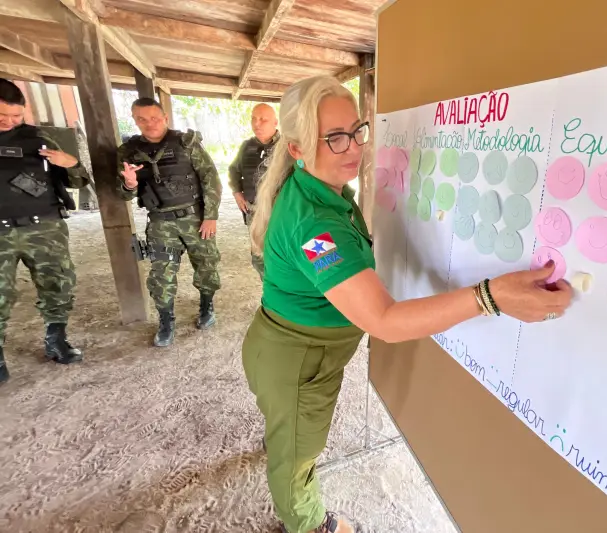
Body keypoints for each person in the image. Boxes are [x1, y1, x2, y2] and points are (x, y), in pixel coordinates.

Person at [242, 76, 573, 533]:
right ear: (297, 149)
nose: (354, 148)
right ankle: (307, 524)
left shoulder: (322, 188)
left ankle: (283, 433)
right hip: (297, 363)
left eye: (356, 130)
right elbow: (383, 321)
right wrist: (490, 296)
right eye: (334, 138)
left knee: (289, 432)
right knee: (296, 459)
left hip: (288, 352)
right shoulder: (316, 226)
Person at [0, 78, 88, 383]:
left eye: (16, 116)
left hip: (44, 227)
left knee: (57, 284)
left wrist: (70, 162)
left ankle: (56, 340)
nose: (9, 122)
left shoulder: (39, 137)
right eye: (2, 116)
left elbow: (79, 181)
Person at [117, 98, 222, 347]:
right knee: (162, 274)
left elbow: (210, 178)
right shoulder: (128, 152)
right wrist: (129, 184)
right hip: (160, 222)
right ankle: (166, 321)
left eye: (155, 118)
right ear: (135, 120)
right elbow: (124, 194)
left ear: (165, 117)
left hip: (195, 217)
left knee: (206, 264)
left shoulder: (186, 143)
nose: (149, 124)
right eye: (142, 119)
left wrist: (211, 216)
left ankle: (206, 307)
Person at [228, 103, 280, 278]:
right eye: (254, 119)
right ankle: (268, 287)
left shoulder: (287, 147)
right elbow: (234, 170)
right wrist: (237, 192)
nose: (257, 124)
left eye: (263, 119)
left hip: (279, 212)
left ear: (275, 122)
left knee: (280, 253)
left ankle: (282, 288)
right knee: (258, 257)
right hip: (254, 212)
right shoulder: (247, 147)